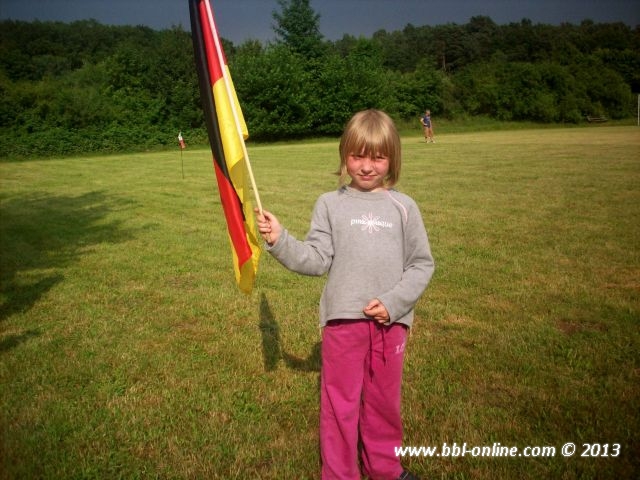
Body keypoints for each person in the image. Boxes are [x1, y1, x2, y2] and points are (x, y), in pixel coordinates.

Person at [255, 109, 435, 480]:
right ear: (344, 155)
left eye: (378, 157)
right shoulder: (330, 204)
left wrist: (393, 303)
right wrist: (280, 240)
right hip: (342, 325)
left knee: (384, 402)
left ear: (393, 159)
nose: (367, 166)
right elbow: (316, 258)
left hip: (390, 326)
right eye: (358, 156)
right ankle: (339, 473)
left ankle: (385, 468)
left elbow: (421, 265)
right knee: (340, 405)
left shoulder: (405, 208)